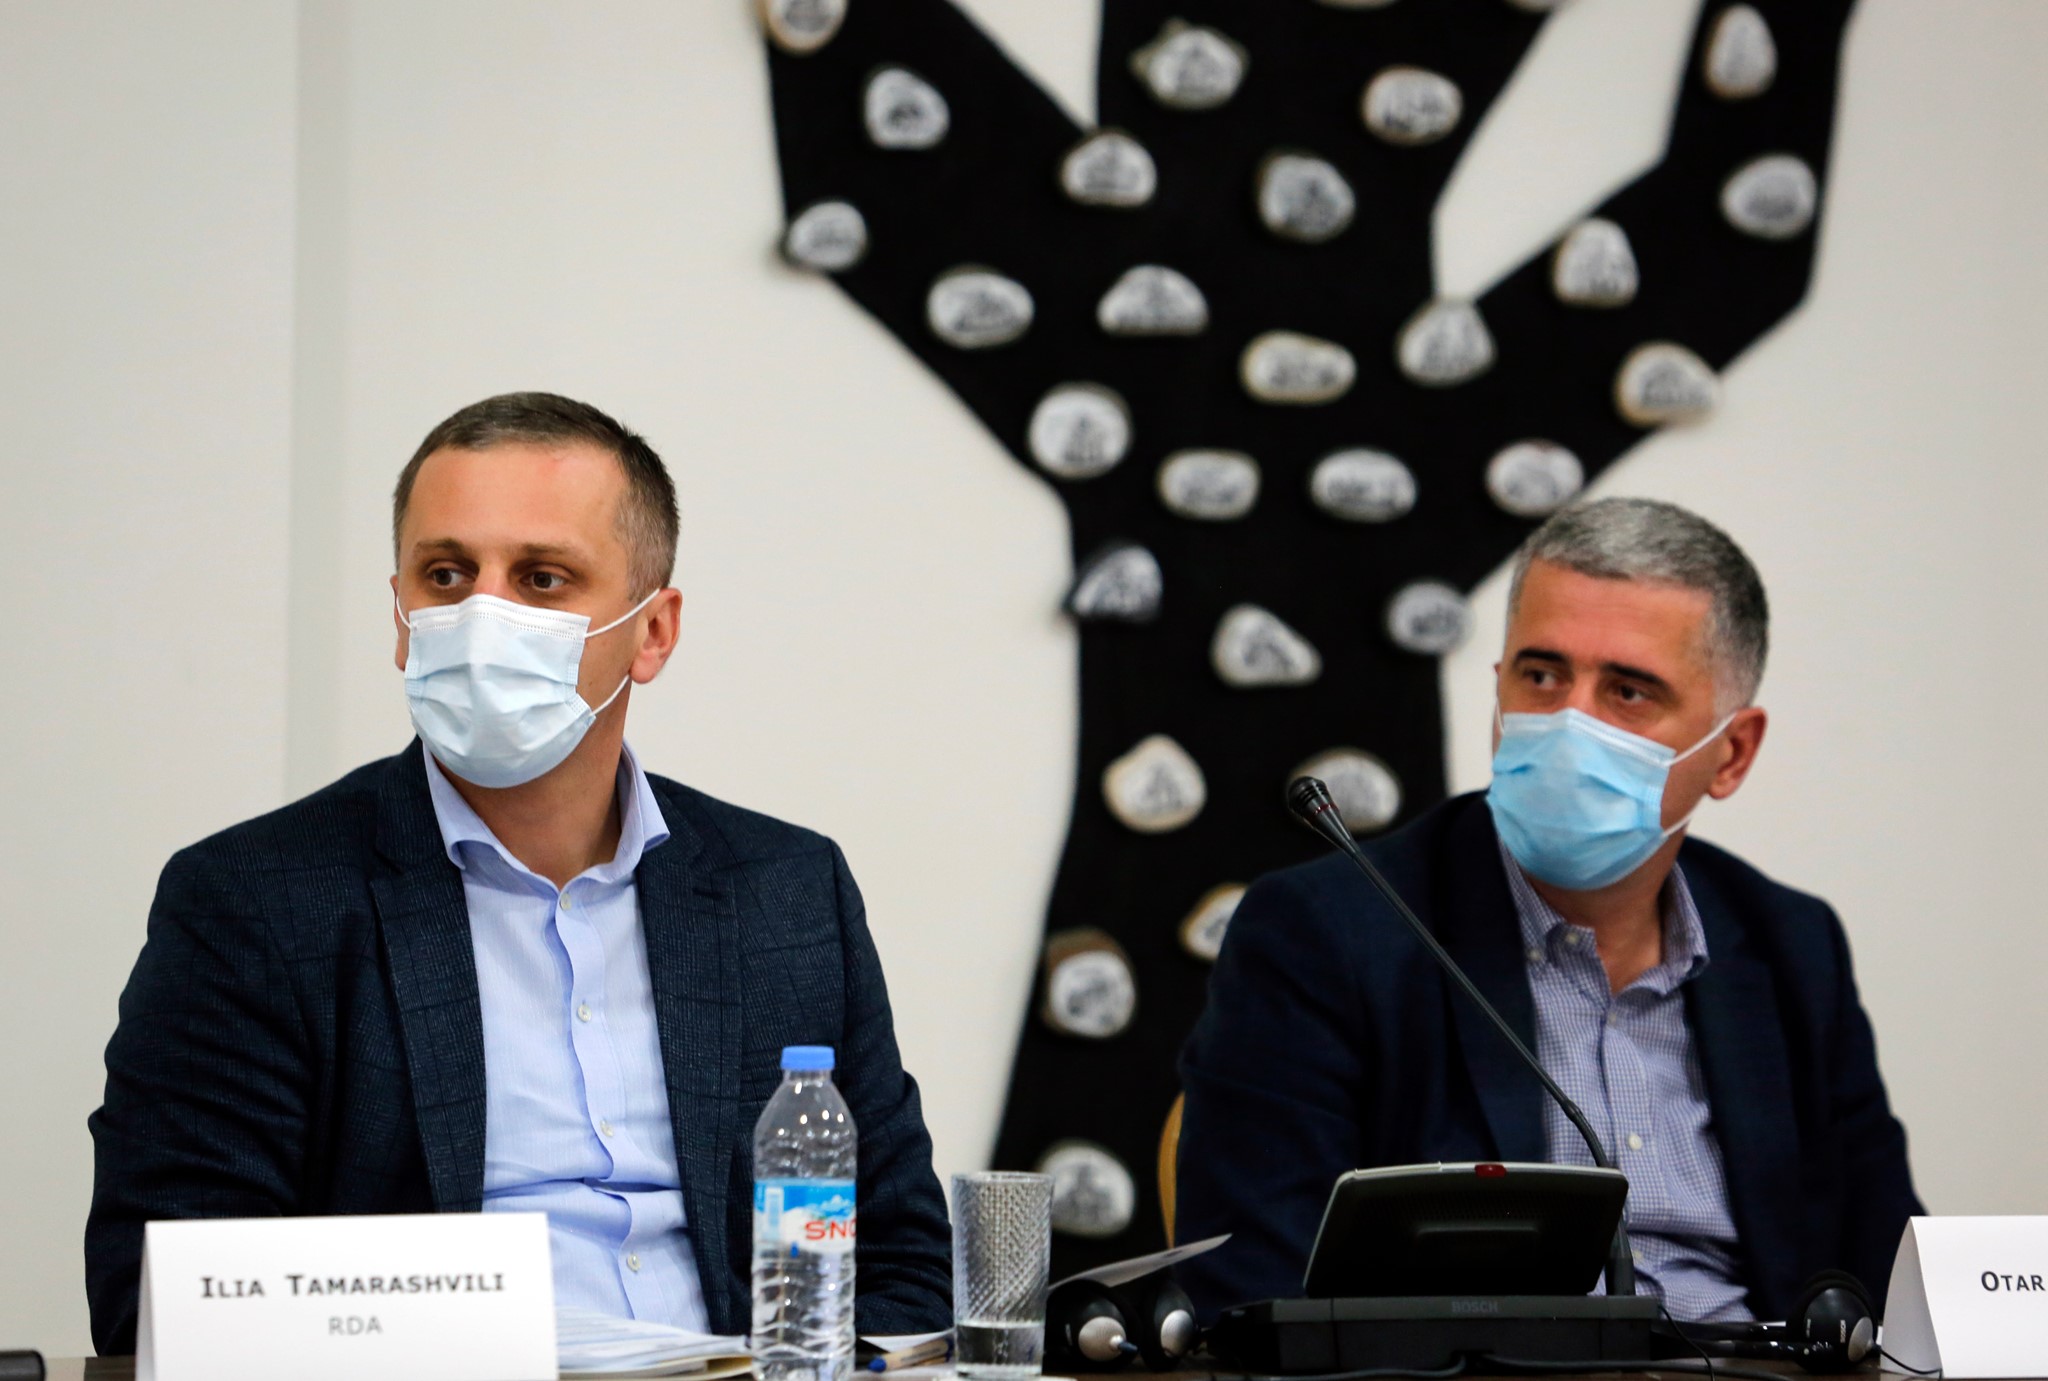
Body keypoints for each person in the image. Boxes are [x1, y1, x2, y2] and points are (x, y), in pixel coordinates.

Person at [85, 393, 952, 1352]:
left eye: (542, 579)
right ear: (402, 617)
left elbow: (902, 1261)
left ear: (653, 632)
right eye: (447, 575)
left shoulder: (786, 889)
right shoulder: (254, 900)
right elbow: (167, 1295)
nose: (482, 616)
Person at [1175, 498, 1921, 1323]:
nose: (1571, 722)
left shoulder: (1793, 947)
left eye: (1629, 691)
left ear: (1731, 752)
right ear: (1499, 688)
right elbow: (1259, 1299)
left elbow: (1899, 1288)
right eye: (1541, 676)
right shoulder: (1328, 933)